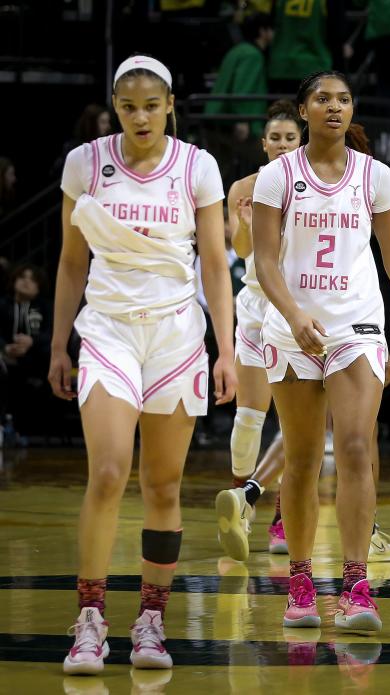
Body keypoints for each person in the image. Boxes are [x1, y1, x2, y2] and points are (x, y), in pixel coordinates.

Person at [52, 55, 237, 674]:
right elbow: (71, 262)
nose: (140, 117)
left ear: (169, 106)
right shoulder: (86, 163)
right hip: (107, 332)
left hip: (177, 336)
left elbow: (215, 265)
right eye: (128, 107)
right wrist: (58, 343)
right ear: (114, 106)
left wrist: (227, 349)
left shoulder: (198, 168)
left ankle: (151, 621)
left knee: (162, 486)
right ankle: (90, 618)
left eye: (151, 106)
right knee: (107, 473)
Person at [251, 70, 390, 633]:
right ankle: (302, 580)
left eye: (344, 99)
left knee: (356, 446)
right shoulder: (276, 176)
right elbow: (263, 262)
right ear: (303, 110)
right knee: (304, 459)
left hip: (356, 324)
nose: (334, 107)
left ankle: (356, 584)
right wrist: (293, 315)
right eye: (323, 99)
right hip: (293, 327)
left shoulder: (375, 176)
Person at [213, 100, 301, 562]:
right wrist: (246, 224)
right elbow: (241, 247)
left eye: (291, 137)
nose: (283, 144)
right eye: (276, 138)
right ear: (263, 143)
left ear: (299, 140)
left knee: (296, 421)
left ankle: (280, 517)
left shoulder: (311, 186)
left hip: (297, 307)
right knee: (250, 416)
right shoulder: (243, 188)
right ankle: (239, 506)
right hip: (254, 306)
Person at [0, 264, 52, 442]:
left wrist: (32, 342)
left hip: (35, 360)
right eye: (22, 277)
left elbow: (53, 333)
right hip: (6, 359)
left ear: (39, 287)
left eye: (32, 279)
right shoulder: (3, 304)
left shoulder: (45, 307)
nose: (26, 282)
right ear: (14, 281)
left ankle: (25, 430)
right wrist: (5, 348)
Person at [205, 12, 274, 140]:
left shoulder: (238, 50)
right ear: (263, 31)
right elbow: (242, 89)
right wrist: (242, 120)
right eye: (272, 29)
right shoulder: (252, 55)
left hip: (217, 117)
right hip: (232, 123)